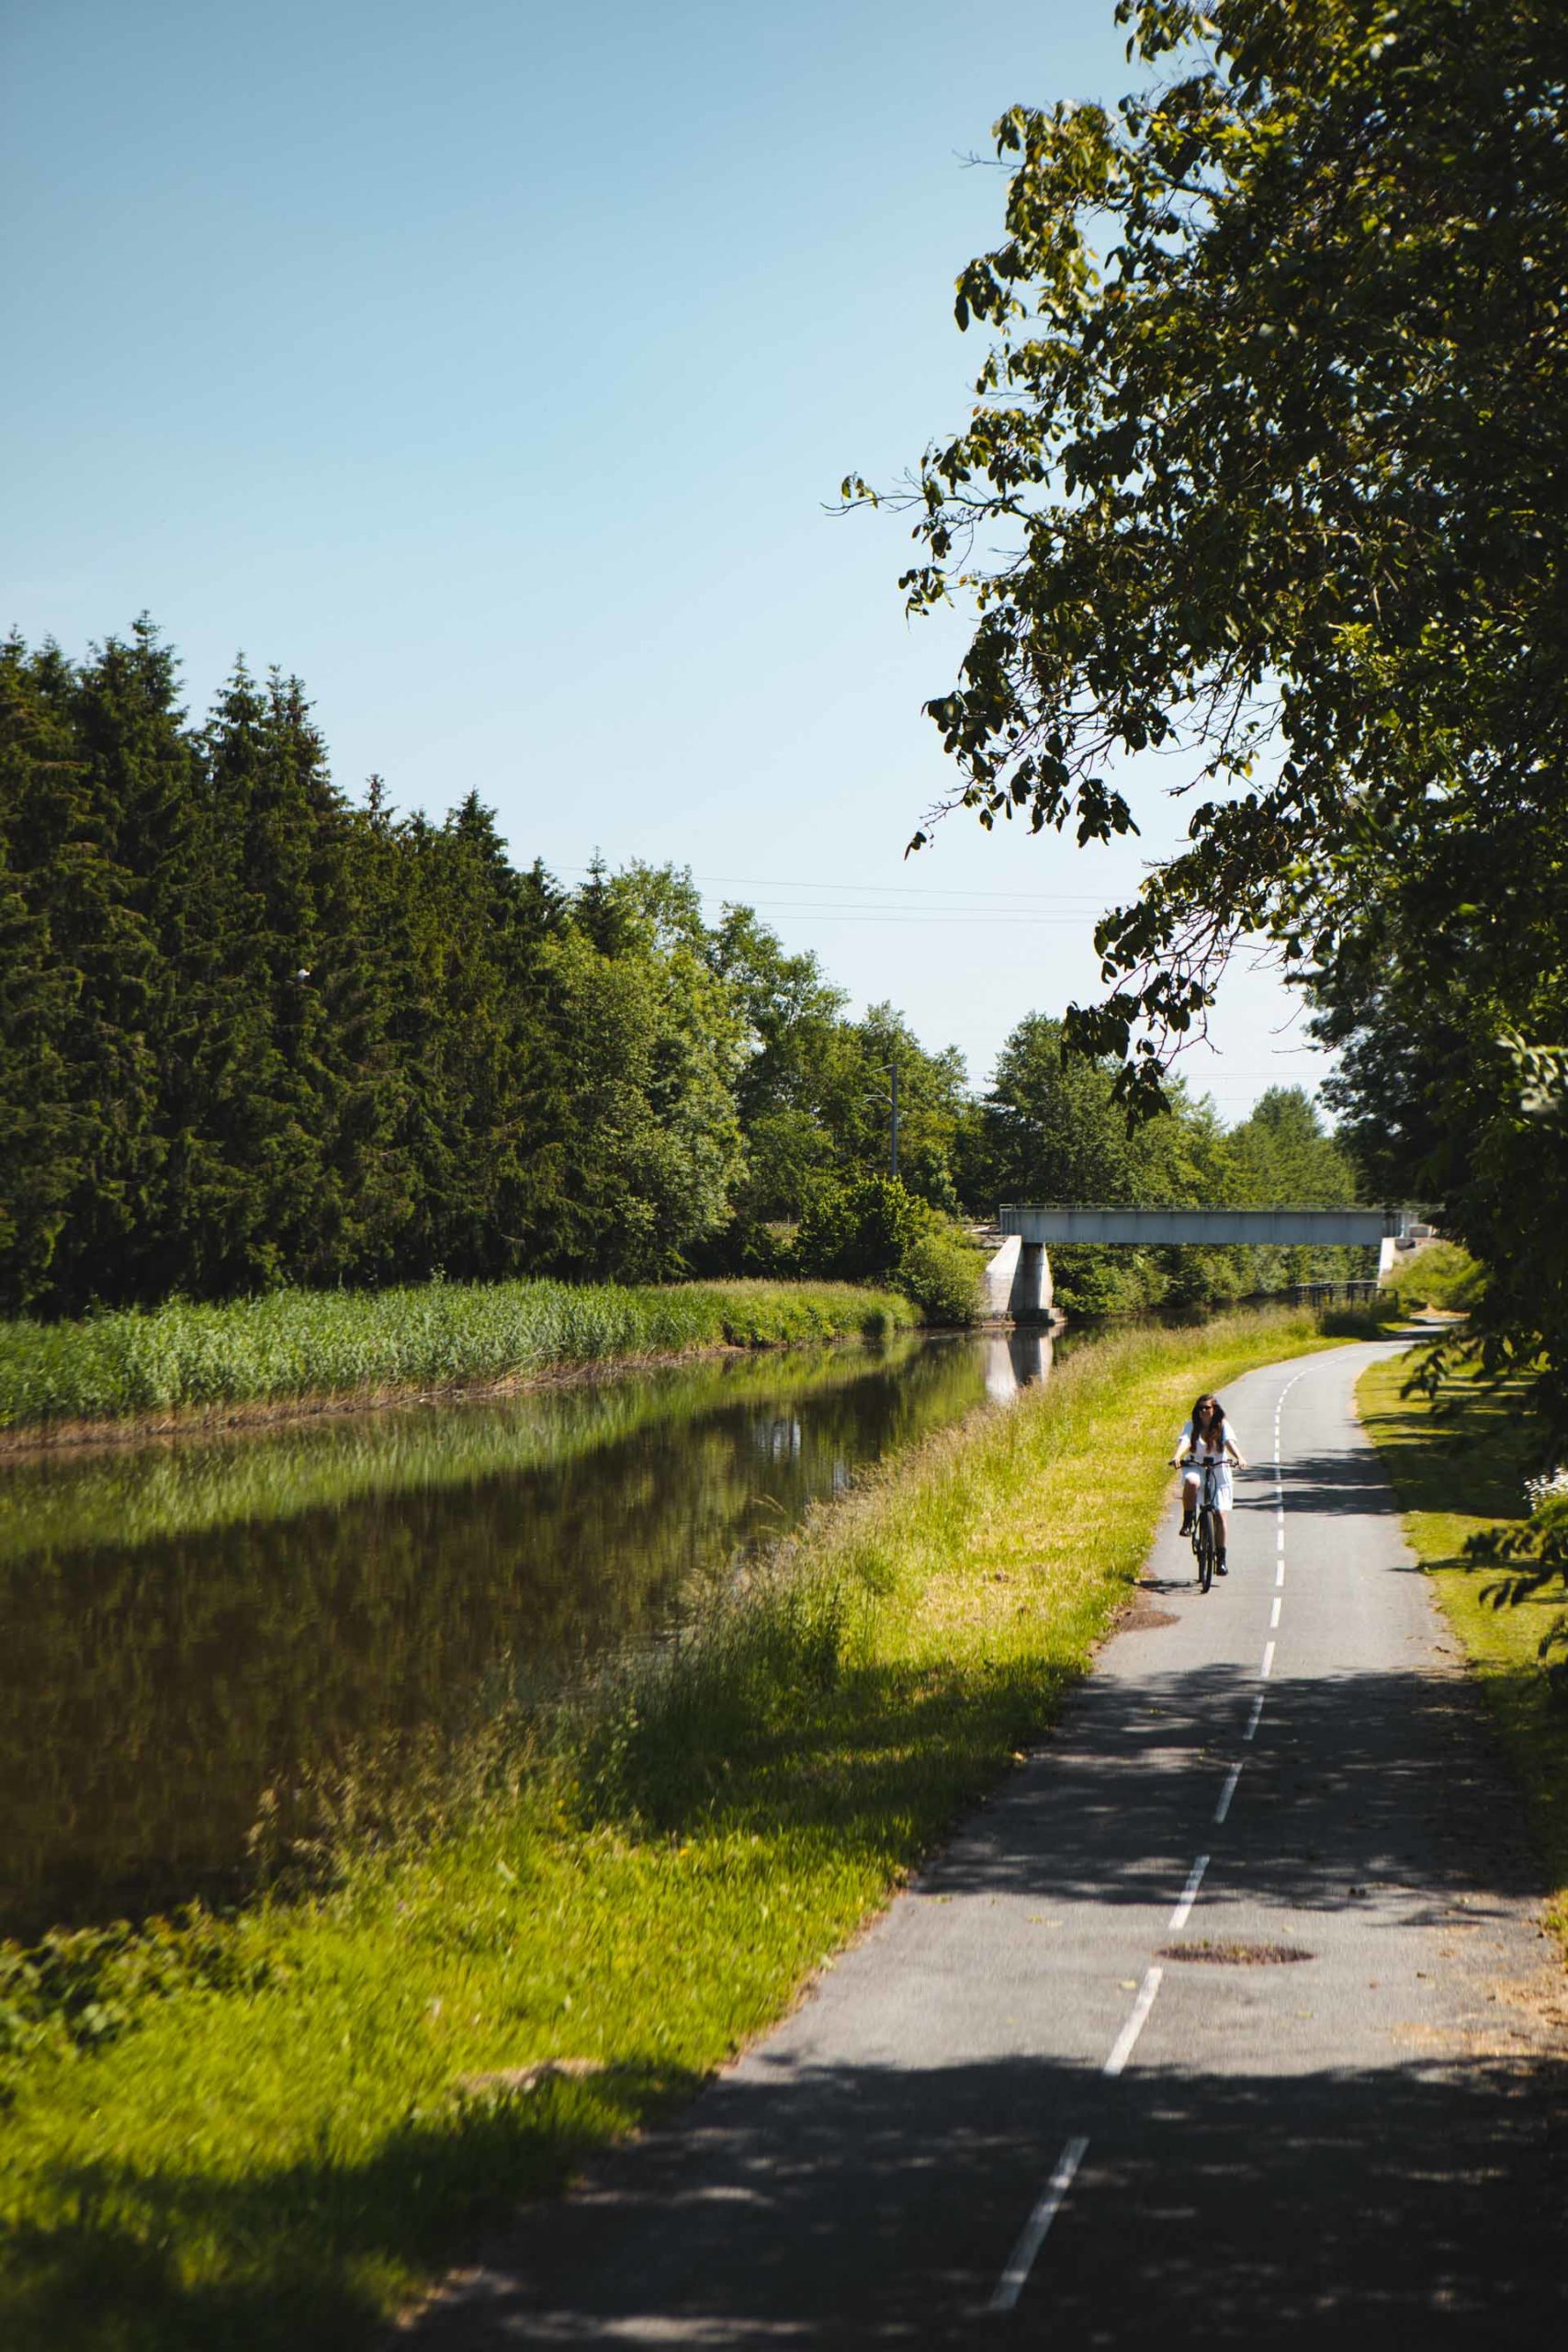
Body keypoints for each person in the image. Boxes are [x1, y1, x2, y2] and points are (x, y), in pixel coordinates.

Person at [1171, 1393, 1247, 1575]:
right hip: (1196, 1467)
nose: (1203, 1411)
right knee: (1191, 1481)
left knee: (1220, 1514)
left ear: (1214, 1410)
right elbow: (1186, 1442)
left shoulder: (1222, 1426)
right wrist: (1177, 1456)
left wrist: (1240, 1458)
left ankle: (1220, 1558)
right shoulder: (1191, 1426)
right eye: (1200, 1408)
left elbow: (1229, 1443)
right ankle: (1188, 1521)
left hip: (1218, 1470)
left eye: (1207, 1408)